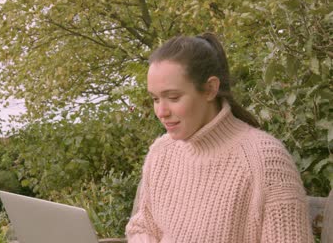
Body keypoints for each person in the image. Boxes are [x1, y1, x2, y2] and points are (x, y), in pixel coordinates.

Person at [125, 33, 313, 243]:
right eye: (155, 99)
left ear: (210, 89)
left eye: (173, 97)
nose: (161, 111)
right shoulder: (161, 153)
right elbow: (143, 226)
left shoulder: (265, 161)